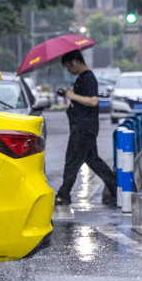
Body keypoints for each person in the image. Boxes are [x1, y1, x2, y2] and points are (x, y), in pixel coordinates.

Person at [55, 49, 117, 207]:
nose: (69, 71)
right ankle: (116, 189)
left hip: (83, 128)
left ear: (75, 62)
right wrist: (68, 95)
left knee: (72, 161)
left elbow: (93, 101)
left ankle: (63, 194)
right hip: (85, 127)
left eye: (68, 67)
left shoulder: (88, 78)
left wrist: (72, 96)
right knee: (93, 160)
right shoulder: (83, 78)